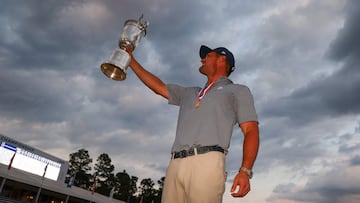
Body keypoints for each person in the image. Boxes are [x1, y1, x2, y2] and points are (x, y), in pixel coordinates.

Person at [126, 45, 259, 203]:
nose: (202, 59)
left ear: (222, 59)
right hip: (175, 164)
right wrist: (130, 60)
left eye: (208, 55)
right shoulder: (190, 93)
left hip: (207, 162)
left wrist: (245, 170)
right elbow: (159, 87)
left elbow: (251, 130)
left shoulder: (237, 90)